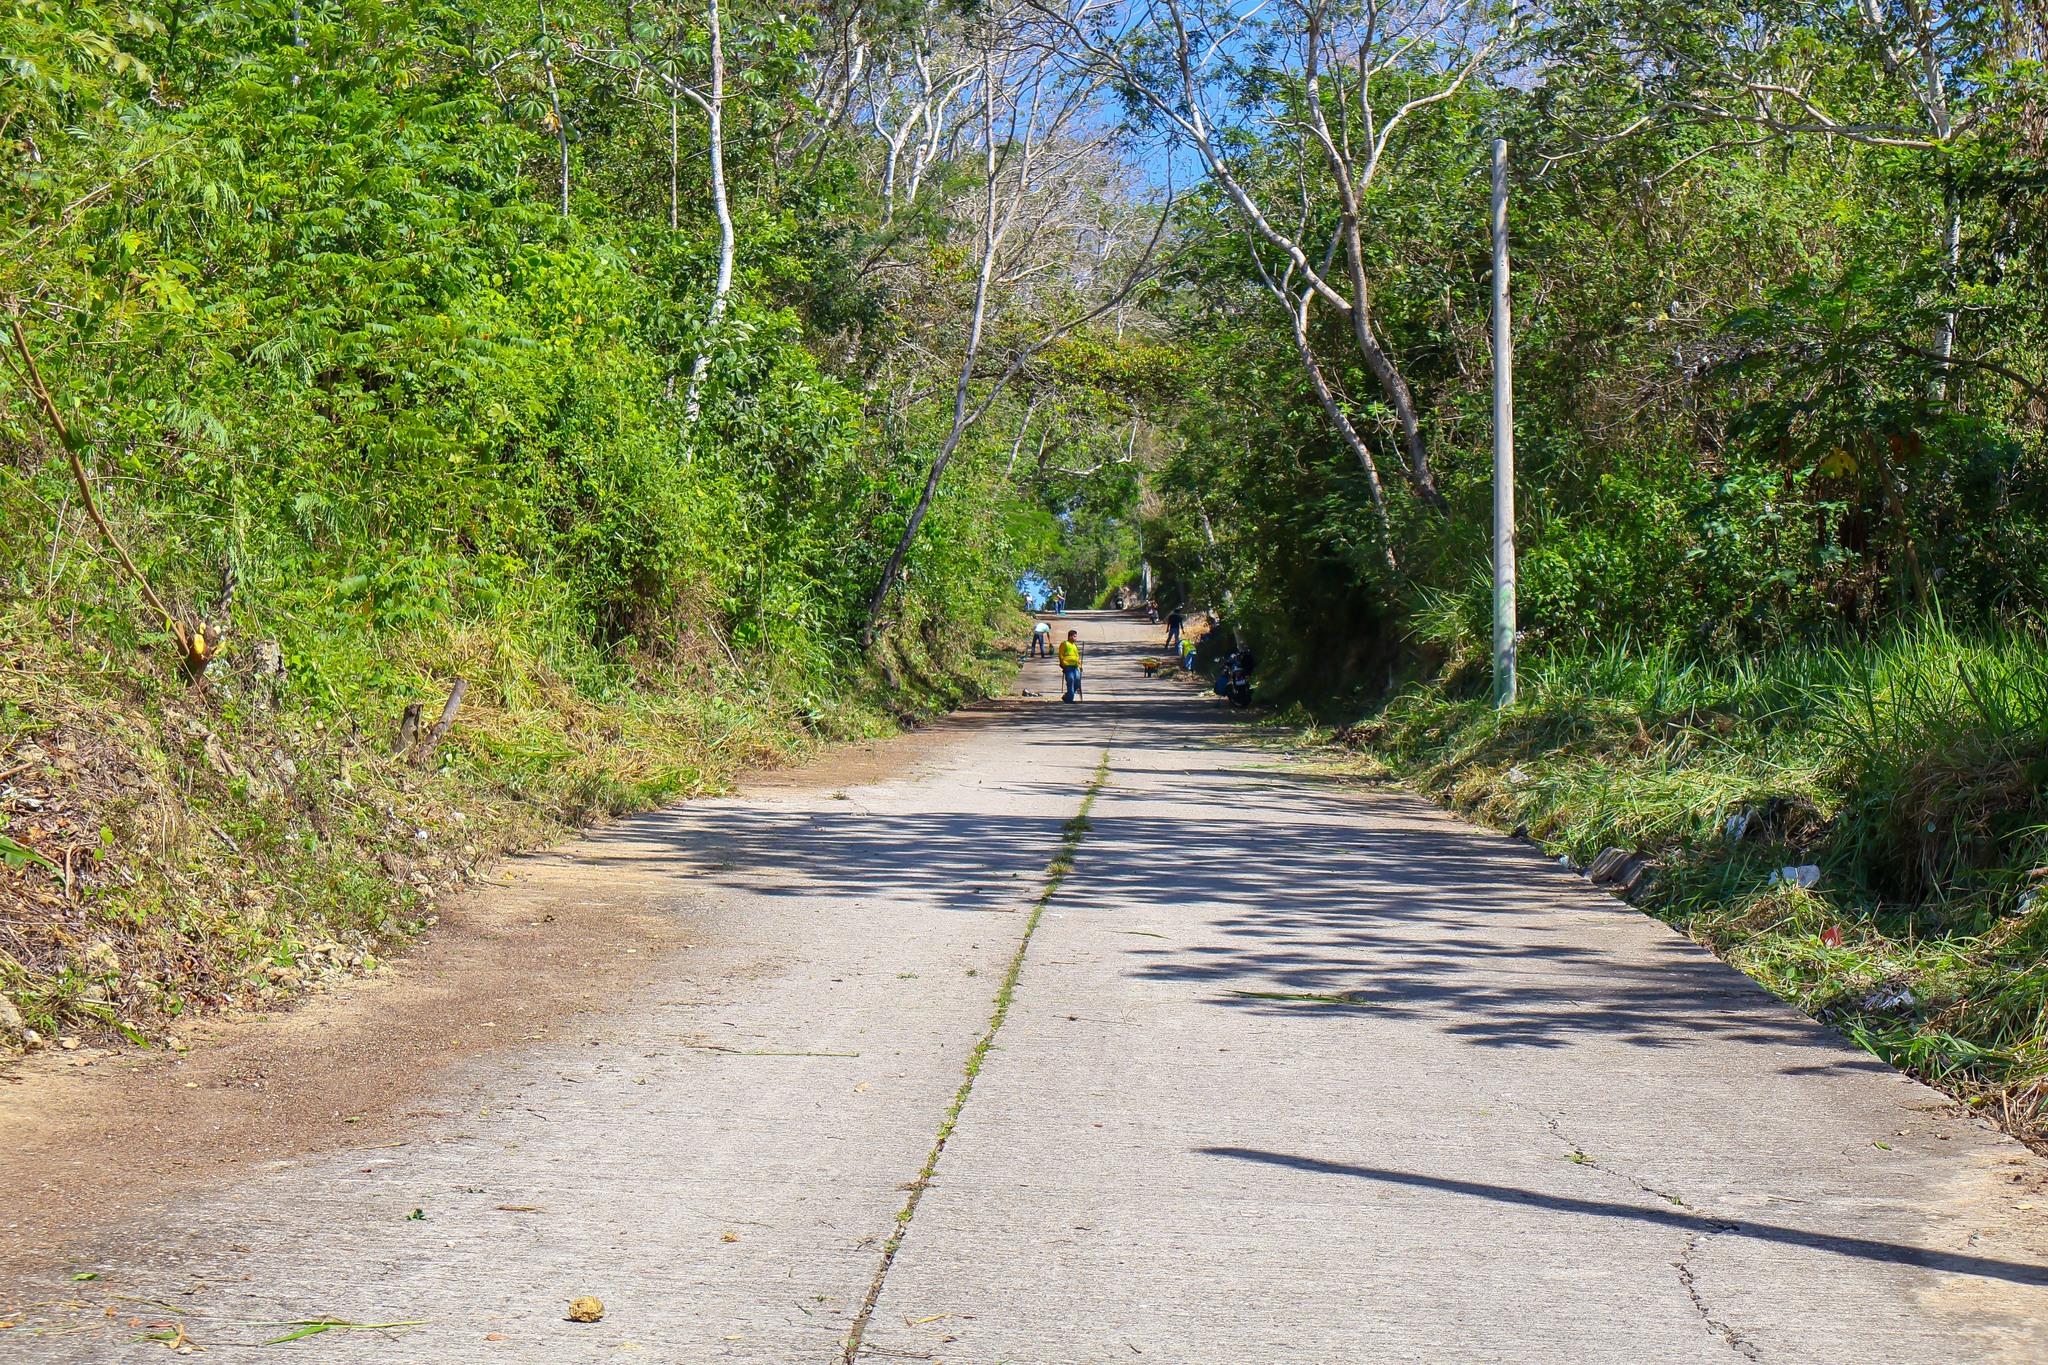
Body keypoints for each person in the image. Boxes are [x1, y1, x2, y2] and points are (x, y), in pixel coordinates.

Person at [1057, 629, 1083, 702]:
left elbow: (1077, 657)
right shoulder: (1064, 644)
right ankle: (1070, 699)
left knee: (1077, 683)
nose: (1075, 638)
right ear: (1070, 636)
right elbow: (1061, 655)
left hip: (1075, 666)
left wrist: (1080, 666)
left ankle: (1067, 695)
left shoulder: (1074, 646)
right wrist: (1063, 664)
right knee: (1070, 681)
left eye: (1076, 636)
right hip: (1068, 666)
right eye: (1074, 636)